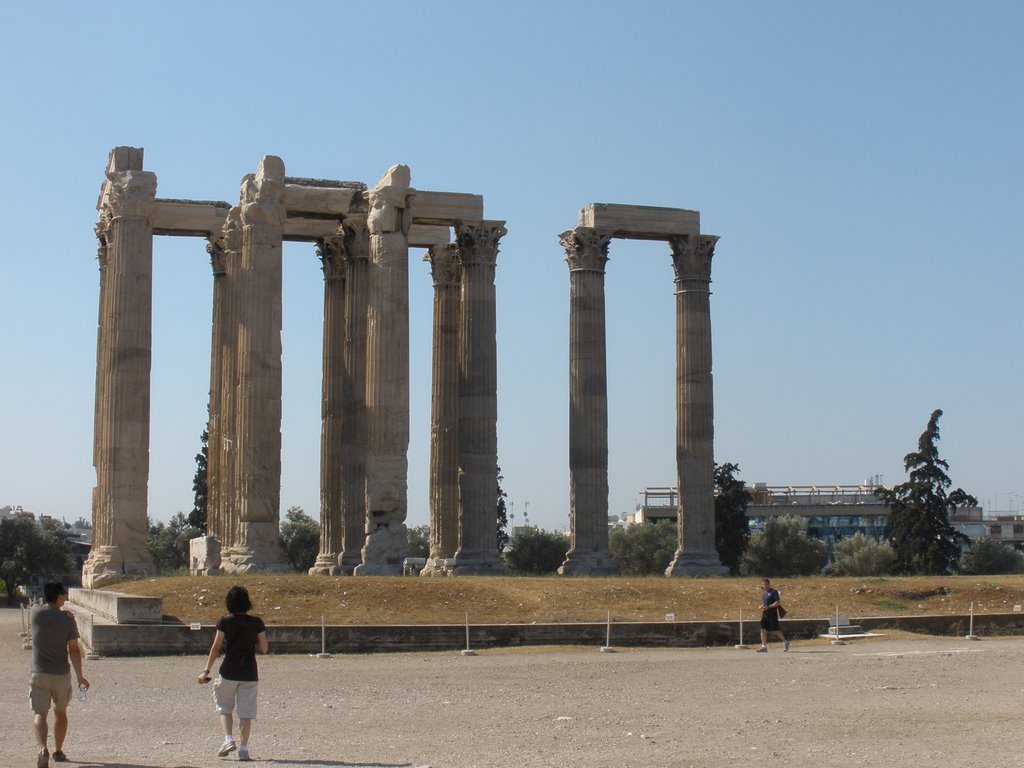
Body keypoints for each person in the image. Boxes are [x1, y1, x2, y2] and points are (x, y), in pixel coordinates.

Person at [197, 585, 268, 762]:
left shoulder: (224, 621)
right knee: (245, 713)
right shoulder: (257, 622)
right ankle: (244, 749)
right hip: (250, 672)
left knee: (225, 708)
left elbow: (216, 647)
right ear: (247, 602)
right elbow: (265, 648)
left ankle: (228, 739)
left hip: (228, 670)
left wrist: (206, 670)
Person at [30, 582, 90, 768]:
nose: (65, 597)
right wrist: (80, 676)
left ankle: (42, 748)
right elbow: (73, 650)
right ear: (59, 597)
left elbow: (42, 607)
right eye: (63, 595)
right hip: (61, 674)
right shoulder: (68, 620)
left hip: (39, 672)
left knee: (40, 713)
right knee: (61, 713)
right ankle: (58, 750)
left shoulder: (35, 613)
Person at [757, 577, 789, 652]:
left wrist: (769, 607)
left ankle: (785, 641)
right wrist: (762, 606)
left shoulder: (774, 592)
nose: (764, 585)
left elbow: (778, 603)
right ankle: (763, 646)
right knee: (763, 629)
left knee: (775, 630)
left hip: (772, 614)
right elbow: (765, 603)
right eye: (763, 584)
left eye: (765, 584)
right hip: (765, 614)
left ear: (769, 583)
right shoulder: (764, 594)